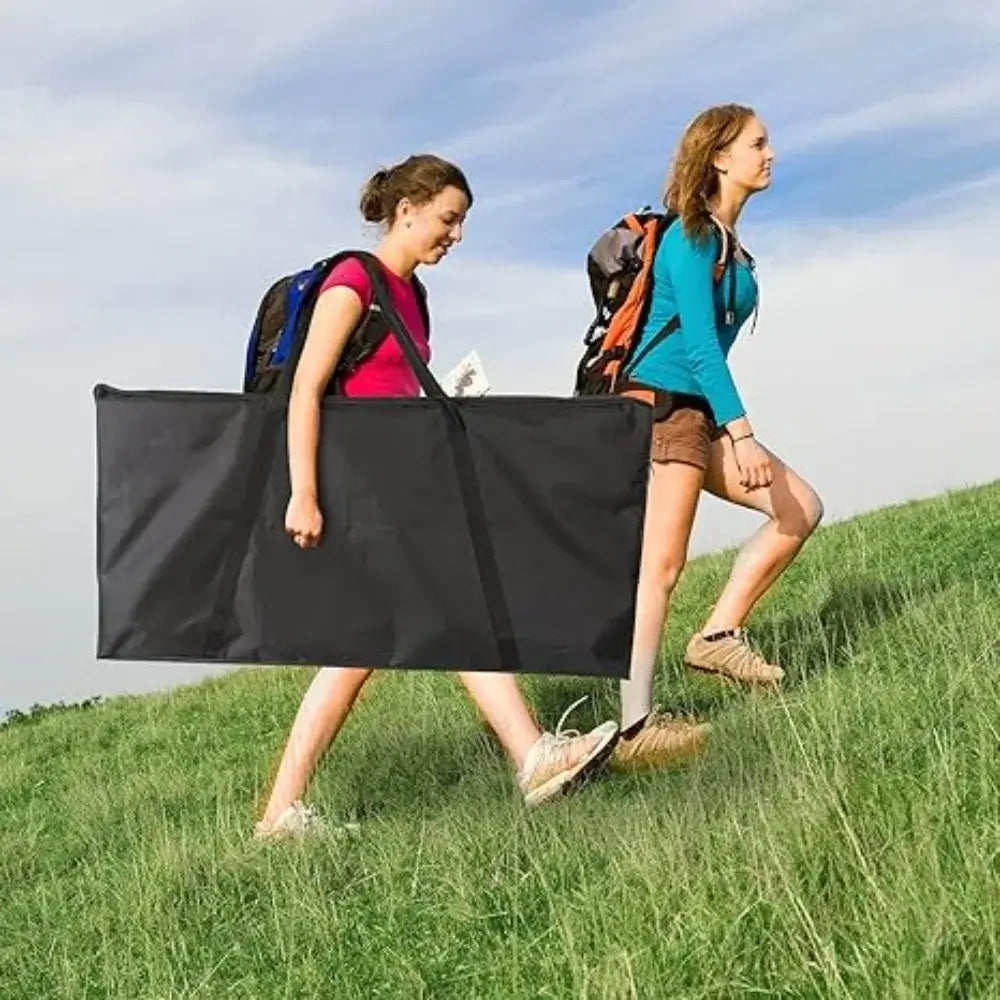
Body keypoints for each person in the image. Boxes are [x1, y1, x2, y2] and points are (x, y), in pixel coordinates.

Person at [255, 155, 618, 838]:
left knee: (359, 649)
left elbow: (390, 392)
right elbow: (305, 392)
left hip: (398, 486)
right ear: (407, 210)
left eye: (462, 223)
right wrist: (304, 493)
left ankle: (280, 812)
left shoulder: (412, 297)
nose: (455, 235)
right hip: (354, 490)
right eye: (449, 219)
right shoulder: (352, 284)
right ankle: (532, 755)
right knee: (452, 612)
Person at [610, 105, 824, 770]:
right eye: (758, 144)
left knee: (799, 509)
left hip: (701, 410)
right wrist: (743, 434)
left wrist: (726, 427)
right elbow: (701, 347)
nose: (771, 154)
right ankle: (634, 725)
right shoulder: (691, 237)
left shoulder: (731, 245)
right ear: (719, 157)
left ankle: (717, 634)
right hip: (667, 405)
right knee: (664, 566)